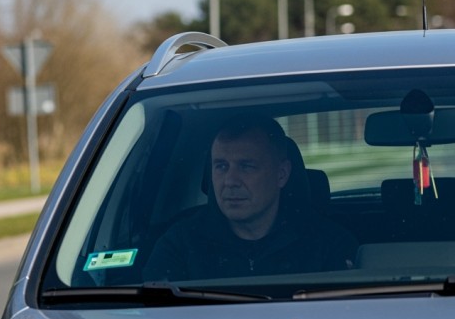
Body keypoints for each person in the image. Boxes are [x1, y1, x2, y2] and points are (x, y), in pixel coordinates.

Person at [142, 114, 356, 281]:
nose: (230, 181)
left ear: (281, 174)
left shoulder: (328, 244)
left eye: (246, 166)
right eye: (221, 166)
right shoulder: (179, 244)